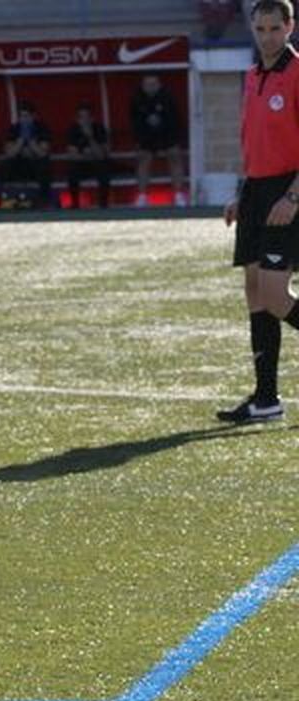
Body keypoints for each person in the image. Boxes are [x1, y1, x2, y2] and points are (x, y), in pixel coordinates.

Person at [219, 0, 299, 424]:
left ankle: (267, 397)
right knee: (255, 294)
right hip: (255, 194)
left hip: (287, 192)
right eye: (260, 28)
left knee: (275, 296)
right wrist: (241, 193)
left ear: (290, 27)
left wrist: (292, 199)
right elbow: (251, 142)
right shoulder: (251, 77)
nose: (267, 36)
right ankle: (266, 398)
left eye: (275, 28)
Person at [130, 74, 186, 207]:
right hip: (147, 136)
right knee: (143, 159)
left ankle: (178, 195)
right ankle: (142, 196)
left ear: (159, 85)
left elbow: (175, 120)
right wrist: (139, 141)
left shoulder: (167, 98)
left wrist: (174, 139)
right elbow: (135, 123)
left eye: (153, 84)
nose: (150, 87)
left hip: (167, 134)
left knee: (175, 156)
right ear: (143, 86)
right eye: (147, 84)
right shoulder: (137, 99)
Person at [0, 100, 53, 209]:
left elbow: (42, 153)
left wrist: (31, 141)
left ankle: (44, 201)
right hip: (19, 163)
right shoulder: (14, 129)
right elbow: (10, 153)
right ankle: (6, 200)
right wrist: (22, 139)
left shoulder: (42, 128)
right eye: (22, 116)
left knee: (44, 165)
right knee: (4, 165)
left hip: (36, 164)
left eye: (27, 116)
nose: (24, 119)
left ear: (33, 116)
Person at [65, 103, 111, 209]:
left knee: (103, 167)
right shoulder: (73, 130)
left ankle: (103, 204)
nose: (84, 120)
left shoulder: (99, 129)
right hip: (81, 165)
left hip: (97, 164)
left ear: (92, 118)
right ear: (77, 119)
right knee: (72, 170)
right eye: (81, 117)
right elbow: (72, 156)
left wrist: (90, 137)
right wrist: (89, 154)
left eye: (87, 117)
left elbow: (102, 155)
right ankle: (75, 203)